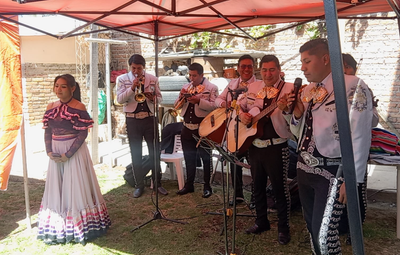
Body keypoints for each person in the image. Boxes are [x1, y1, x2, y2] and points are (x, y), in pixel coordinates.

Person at [284, 38, 374, 254]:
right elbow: (300, 131)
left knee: (325, 235)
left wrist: (352, 180)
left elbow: (360, 136)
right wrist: (296, 114)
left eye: (307, 61)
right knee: (312, 231)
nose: (302, 67)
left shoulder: (352, 85)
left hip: (333, 172)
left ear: (325, 59)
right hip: (304, 168)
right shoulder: (309, 91)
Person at [38, 74, 111, 245]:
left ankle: (80, 223)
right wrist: (49, 151)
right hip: (56, 152)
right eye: (56, 86)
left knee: (75, 185)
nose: (59, 89)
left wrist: (68, 155)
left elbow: (83, 132)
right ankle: (60, 224)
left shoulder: (79, 107)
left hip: (74, 152)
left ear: (72, 88)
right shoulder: (51, 106)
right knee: (58, 187)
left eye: (63, 86)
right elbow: (47, 131)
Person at [238, 55, 292, 245]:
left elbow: (295, 117)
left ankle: (284, 229)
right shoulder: (253, 87)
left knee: (280, 190)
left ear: (279, 70)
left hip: (276, 146)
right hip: (254, 145)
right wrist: (242, 114)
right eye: (264, 70)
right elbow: (241, 105)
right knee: (257, 187)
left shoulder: (290, 89)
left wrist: (286, 109)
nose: (268, 74)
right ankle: (261, 222)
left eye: (272, 70)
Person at [338, 53, 379, 244]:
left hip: (357, 147)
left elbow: (373, 121)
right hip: (336, 149)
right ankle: (342, 226)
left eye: (347, 67)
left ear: (354, 69)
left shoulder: (361, 89)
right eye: (341, 67)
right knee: (339, 190)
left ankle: (356, 228)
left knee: (357, 188)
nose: (344, 71)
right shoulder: (335, 89)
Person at [116, 54, 168, 198]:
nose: (136, 71)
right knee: (135, 152)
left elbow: (160, 98)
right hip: (132, 119)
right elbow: (120, 99)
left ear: (144, 67)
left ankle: (157, 183)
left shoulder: (153, 79)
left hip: (149, 118)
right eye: (133, 68)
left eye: (139, 68)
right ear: (130, 67)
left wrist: (152, 98)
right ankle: (139, 185)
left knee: (154, 151)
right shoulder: (122, 79)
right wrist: (132, 88)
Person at [215, 54, 258, 207]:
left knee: (254, 166)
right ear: (238, 68)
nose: (246, 69)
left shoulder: (259, 85)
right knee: (235, 163)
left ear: (254, 67)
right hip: (234, 130)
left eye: (249, 66)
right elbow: (217, 100)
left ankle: (255, 197)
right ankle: (238, 196)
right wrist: (225, 104)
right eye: (243, 66)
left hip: (251, 130)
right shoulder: (232, 84)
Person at [175, 63, 219, 198]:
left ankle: (207, 186)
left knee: (206, 158)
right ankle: (189, 184)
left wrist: (198, 101)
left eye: (194, 75)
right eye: (190, 75)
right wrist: (182, 97)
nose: (191, 78)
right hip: (187, 127)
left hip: (203, 128)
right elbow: (176, 106)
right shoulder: (185, 87)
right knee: (189, 157)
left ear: (201, 75)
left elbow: (215, 106)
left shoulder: (211, 87)